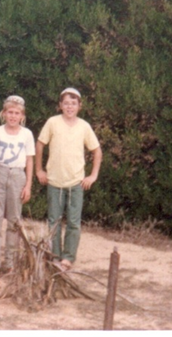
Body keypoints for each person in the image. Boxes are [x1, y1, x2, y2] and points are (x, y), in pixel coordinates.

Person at [35, 87, 102, 270]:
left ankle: (68, 258)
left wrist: (93, 175)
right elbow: (40, 144)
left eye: (73, 103)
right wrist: (39, 170)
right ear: (60, 105)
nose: (69, 107)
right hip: (54, 182)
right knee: (54, 220)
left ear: (79, 106)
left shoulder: (84, 126)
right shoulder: (52, 123)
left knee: (73, 222)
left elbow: (96, 150)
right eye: (66, 103)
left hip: (76, 183)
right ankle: (54, 256)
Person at [0, 95, 35, 278]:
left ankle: (10, 262)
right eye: (10, 112)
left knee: (14, 220)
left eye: (17, 113)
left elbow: (29, 160)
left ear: (22, 115)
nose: (13, 116)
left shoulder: (26, 134)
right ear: (3, 113)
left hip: (17, 175)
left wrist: (28, 185)